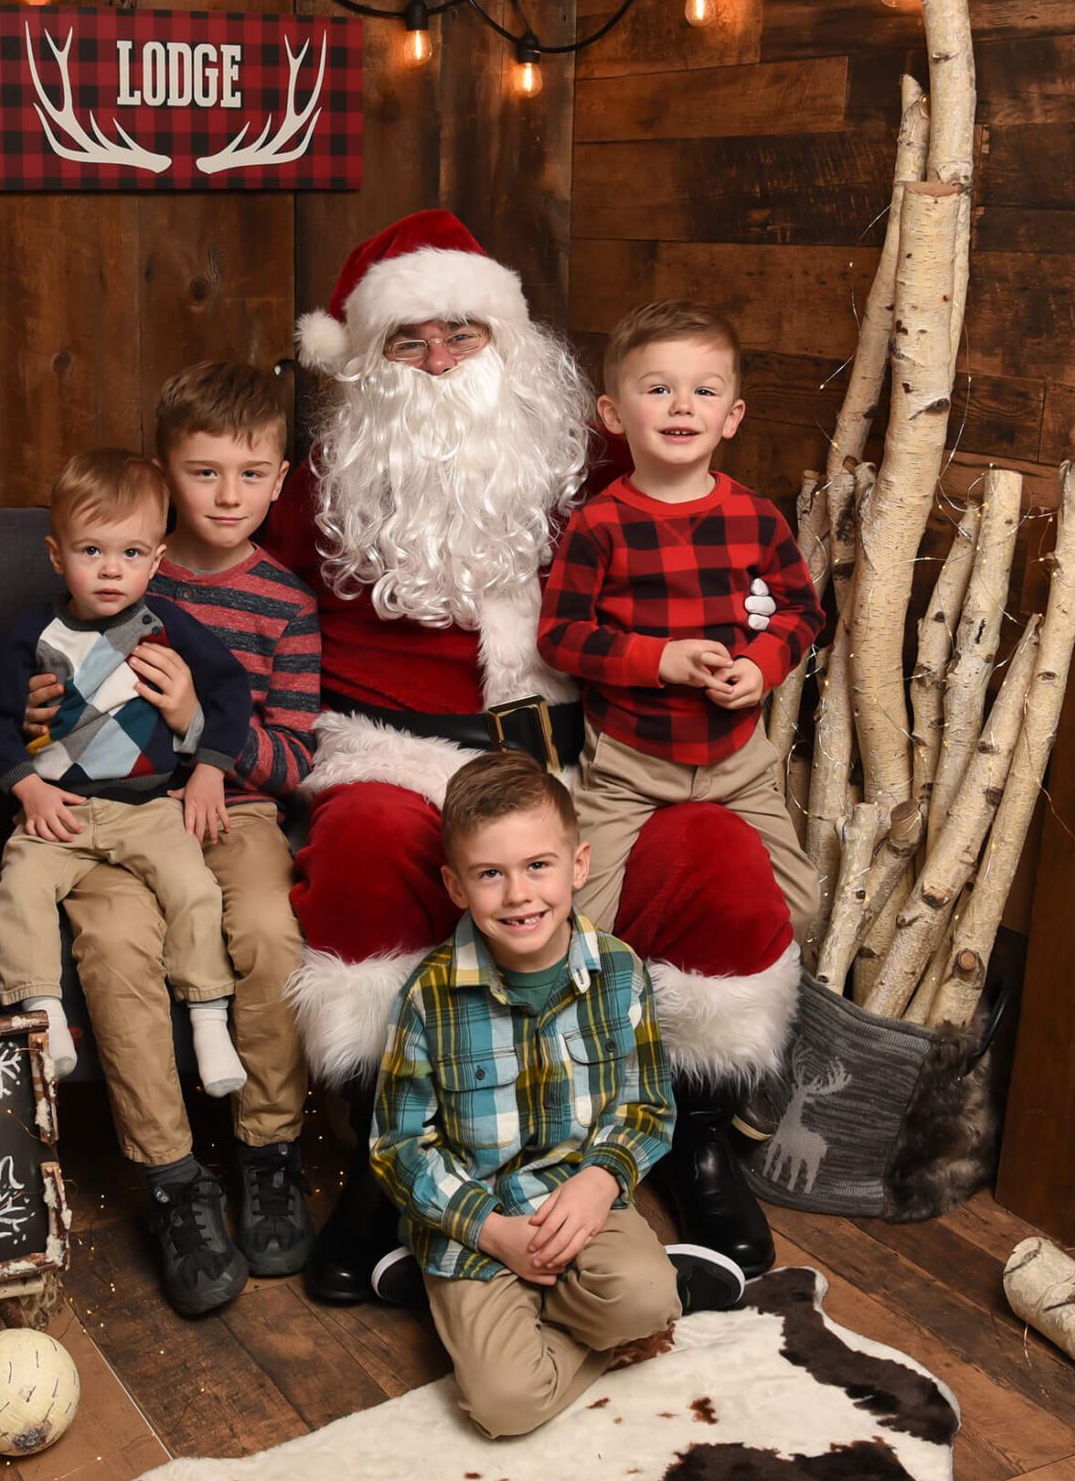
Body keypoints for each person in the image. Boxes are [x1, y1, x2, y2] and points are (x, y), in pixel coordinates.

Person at [265, 210, 806, 1302]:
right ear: (363, 363)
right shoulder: (313, 486)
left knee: (716, 850)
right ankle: (388, 1164)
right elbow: (228, 598)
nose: (437, 361)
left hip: (585, 761)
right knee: (370, 844)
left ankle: (694, 1138)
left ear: (508, 342)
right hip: (396, 757)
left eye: (461, 333)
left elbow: (716, 510)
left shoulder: (589, 449)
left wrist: (752, 646)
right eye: (406, 341)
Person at [17, 366, 325, 1315]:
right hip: (112, 817)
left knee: (270, 932)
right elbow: (42, 719)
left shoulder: (287, 605)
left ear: (281, 479)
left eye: (251, 474)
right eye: (203, 473)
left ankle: (268, 1150)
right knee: (113, 946)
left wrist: (200, 726)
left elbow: (298, 755)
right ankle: (175, 1178)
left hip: (233, 811)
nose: (228, 497)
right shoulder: (114, 569)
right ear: (165, 473)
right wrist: (37, 725)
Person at [368, 752, 746, 1440]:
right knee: (505, 1404)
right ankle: (460, 1301)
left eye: (538, 865)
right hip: (476, 1225)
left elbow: (647, 1106)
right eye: (491, 873)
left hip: (577, 1201)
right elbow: (398, 1148)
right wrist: (492, 1231)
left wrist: (602, 1180)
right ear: (456, 885)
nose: (519, 894)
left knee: (643, 1300)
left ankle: (641, 1306)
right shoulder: (430, 995)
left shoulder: (619, 971)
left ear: (578, 864)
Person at [0, 448, 254, 1180]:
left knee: (195, 890)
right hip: (61, 809)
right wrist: (24, 785)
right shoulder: (34, 633)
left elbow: (229, 695)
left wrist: (211, 770)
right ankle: (44, 1015)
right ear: (56, 554)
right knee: (18, 891)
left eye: (129, 553)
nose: (109, 570)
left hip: (147, 808)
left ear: (156, 559)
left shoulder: (168, 625)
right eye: (91, 551)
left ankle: (209, 1020)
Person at [539, 300, 825, 951]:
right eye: (659, 389)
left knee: (798, 909)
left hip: (737, 761)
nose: (682, 406)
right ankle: (618, 1007)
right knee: (583, 917)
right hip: (629, 763)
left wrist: (759, 667)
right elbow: (559, 636)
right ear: (614, 414)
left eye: (704, 391)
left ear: (731, 417)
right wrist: (656, 660)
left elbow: (800, 608)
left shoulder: (753, 517)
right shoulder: (599, 524)